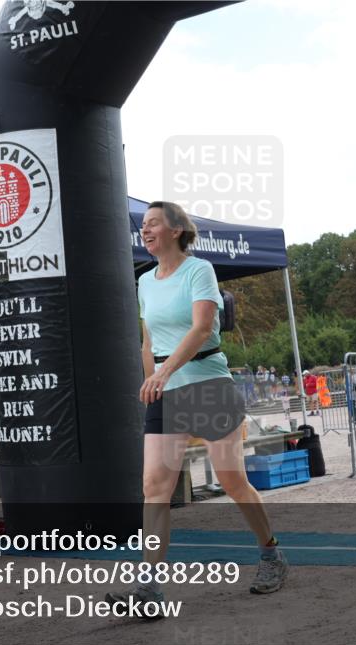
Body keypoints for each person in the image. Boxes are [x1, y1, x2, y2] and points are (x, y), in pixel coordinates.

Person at [105, 200, 286, 615]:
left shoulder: (199, 270)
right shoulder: (145, 281)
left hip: (208, 385)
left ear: (175, 230)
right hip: (166, 393)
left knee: (232, 481)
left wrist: (165, 372)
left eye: (153, 223)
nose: (145, 230)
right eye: (143, 225)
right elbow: (148, 342)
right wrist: (151, 381)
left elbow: (203, 328)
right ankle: (149, 589)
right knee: (154, 488)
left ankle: (271, 553)